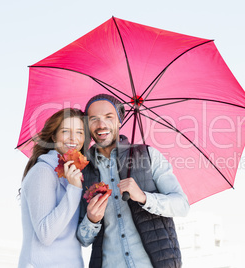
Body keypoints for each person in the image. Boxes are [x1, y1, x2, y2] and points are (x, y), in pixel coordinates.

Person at [77, 94, 190, 268]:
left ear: (120, 119)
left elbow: (182, 205)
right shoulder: (83, 171)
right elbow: (83, 240)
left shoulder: (149, 156)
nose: (101, 125)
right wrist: (91, 220)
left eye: (109, 117)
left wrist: (144, 197)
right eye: (94, 119)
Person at [18, 108, 86, 268]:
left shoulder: (71, 174)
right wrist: (74, 190)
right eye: (65, 131)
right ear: (53, 136)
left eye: (79, 132)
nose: (73, 138)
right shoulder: (43, 172)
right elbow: (46, 234)